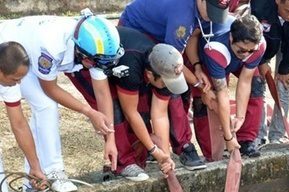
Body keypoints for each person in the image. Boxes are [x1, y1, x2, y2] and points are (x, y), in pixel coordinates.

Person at [0, 10, 123, 192]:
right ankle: (6, 189)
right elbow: (49, 89)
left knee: (46, 106)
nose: (98, 67)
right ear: (83, 54)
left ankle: (40, 177)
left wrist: (110, 139)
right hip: (10, 54)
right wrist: (88, 112)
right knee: (46, 103)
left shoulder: (95, 51)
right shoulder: (50, 47)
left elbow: (102, 93)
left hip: (25, 55)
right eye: (95, 63)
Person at [118, 0, 232, 170]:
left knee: (174, 90)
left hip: (160, 36)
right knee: (144, 99)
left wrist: (197, 66)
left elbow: (192, 37)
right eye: (211, 10)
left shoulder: (198, 11)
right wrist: (199, 84)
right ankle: (143, 153)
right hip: (137, 31)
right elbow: (172, 65)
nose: (211, 17)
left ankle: (169, 147)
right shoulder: (182, 17)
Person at [68, 27, 184, 179]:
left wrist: (165, 155)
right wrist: (154, 150)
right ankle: (123, 163)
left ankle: (138, 160)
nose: (167, 86)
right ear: (149, 75)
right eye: (165, 83)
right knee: (114, 110)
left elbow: (160, 115)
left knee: (143, 110)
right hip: (88, 61)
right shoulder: (133, 67)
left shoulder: (164, 68)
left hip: (120, 65)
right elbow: (130, 113)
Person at [194, 14, 266, 159]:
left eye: (250, 51)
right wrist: (228, 137)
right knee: (207, 100)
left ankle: (246, 140)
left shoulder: (258, 45)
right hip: (207, 61)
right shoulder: (215, 49)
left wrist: (240, 117)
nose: (245, 54)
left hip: (229, 58)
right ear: (231, 38)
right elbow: (223, 92)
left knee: (256, 83)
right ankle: (213, 151)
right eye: (242, 49)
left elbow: (245, 81)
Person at [251, 0, 289, 145]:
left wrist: (286, 68)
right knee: (258, 84)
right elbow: (252, 38)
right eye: (288, 11)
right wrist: (261, 61)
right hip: (264, 41)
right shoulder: (258, 6)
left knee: (283, 85)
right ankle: (258, 135)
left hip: (288, 43)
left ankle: (278, 135)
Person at [0, 42, 47, 192]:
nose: (19, 82)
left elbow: (19, 125)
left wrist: (35, 166)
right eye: (15, 78)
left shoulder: (10, 84)